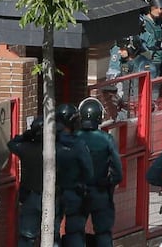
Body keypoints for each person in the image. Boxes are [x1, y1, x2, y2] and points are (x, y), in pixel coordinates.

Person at [7, 117, 61, 247]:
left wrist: (26, 135)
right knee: (52, 236)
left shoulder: (25, 148)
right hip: (52, 196)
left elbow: (11, 144)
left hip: (30, 197)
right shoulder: (58, 150)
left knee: (27, 237)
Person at [77, 97, 123, 247]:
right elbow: (117, 171)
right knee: (103, 233)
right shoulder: (107, 139)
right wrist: (109, 184)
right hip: (100, 192)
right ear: (99, 117)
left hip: (77, 192)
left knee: (75, 233)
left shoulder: (72, 139)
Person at [55, 103, 94, 247]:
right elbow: (88, 171)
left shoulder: (51, 143)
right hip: (74, 194)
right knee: (75, 233)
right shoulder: (78, 144)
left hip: (54, 193)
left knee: (52, 232)